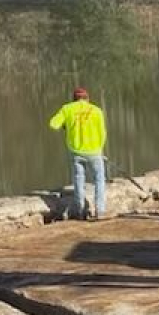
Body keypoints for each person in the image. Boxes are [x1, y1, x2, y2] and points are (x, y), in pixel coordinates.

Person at [48, 87, 107, 220]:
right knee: (99, 180)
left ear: (74, 99)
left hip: (76, 152)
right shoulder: (97, 111)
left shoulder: (67, 109)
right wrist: (100, 148)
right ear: (87, 98)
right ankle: (100, 211)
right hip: (95, 152)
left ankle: (80, 210)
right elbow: (102, 133)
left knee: (79, 180)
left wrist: (65, 126)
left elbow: (53, 124)